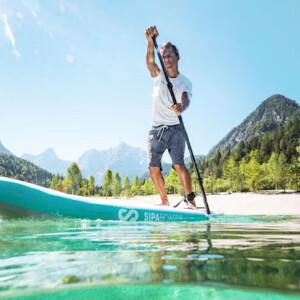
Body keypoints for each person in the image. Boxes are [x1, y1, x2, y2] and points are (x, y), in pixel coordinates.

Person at [145, 25, 197, 209]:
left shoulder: (185, 82)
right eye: (163, 56)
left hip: (175, 129)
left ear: (177, 56)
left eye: (169, 55)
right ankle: (164, 201)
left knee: (178, 165)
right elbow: (150, 63)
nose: (166, 59)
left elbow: (185, 98)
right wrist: (150, 41)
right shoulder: (158, 75)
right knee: (153, 167)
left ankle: (190, 199)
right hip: (156, 128)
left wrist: (182, 107)